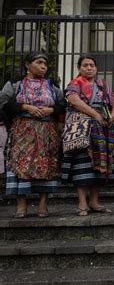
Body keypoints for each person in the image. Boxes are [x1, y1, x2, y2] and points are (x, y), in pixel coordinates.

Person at [0, 52, 65, 218]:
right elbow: (3, 101)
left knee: (47, 165)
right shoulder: (16, 83)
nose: (43, 66)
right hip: (22, 130)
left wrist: (51, 109)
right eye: (39, 62)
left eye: (45, 63)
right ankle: (21, 205)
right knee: (20, 164)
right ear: (27, 65)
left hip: (47, 131)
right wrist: (25, 107)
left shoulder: (52, 85)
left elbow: (63, 103)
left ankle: (43, 205)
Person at [61, 56, 114, 216]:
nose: (89, 68)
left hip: (104, 128)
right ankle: (82, 204)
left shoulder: (103, 86)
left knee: (102, 166)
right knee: (82, 164)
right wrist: (95, 114)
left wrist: (112, 117)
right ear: (79, 68)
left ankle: (94, 202)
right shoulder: (75, 84)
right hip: (83, 129)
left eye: (92, 65)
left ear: (96, 68)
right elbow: (74, 101)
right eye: (85, 65)